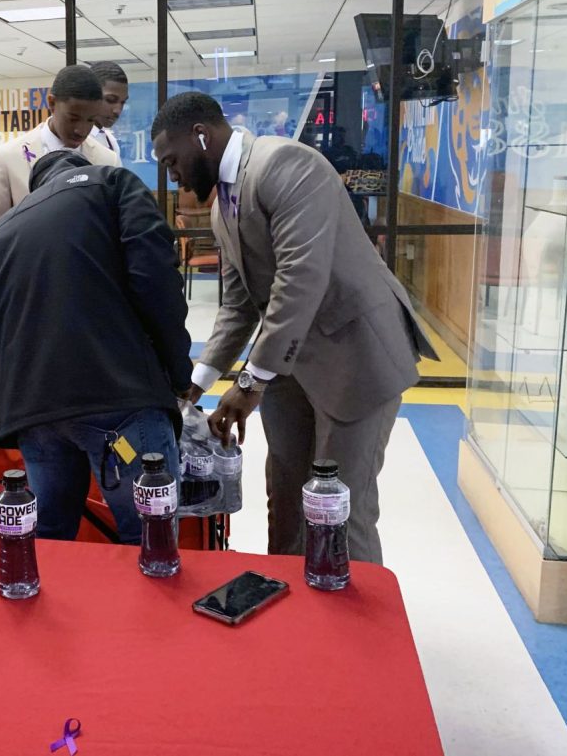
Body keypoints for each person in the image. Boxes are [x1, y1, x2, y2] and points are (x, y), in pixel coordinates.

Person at [151, 92, 437, 564]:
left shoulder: (285, 164)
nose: (172, 174)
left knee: (339, 506)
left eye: (172, 160)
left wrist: (249, 381)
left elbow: (299, 280)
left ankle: (351, 631)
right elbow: (239, 304)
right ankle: (288, 608)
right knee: (284, 496)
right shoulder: (224, 203)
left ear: (200, 136)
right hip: (293, 363)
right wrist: (194, 384)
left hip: (356, 357)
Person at [0, 150, 192, 543]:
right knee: (149, 540)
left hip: (33, 413)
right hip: (119, 402)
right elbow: (155, 279)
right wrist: (180, 373)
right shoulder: (112, 185)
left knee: (48, 542)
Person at [0, 65, 119, 232]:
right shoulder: (7, 158)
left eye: (90, 120)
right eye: (73, 118)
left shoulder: (108, 161)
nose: (81, 130)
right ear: (52, 103)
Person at [88, 61, 129, 165]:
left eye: (123, 102)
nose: (118, 110)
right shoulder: (74, 141)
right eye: (110, 100)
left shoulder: (111, 141)